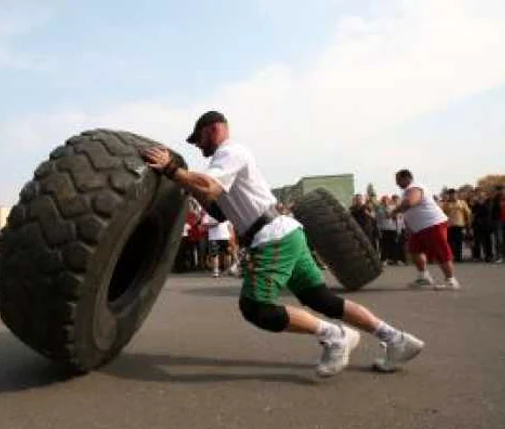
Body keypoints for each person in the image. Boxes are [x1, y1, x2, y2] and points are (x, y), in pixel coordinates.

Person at [141, 110, 424, 376]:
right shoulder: (220, 163)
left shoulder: (231, 152)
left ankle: (335, 336)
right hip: (285, 233)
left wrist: (171, 169)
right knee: (320, 298)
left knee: (256, 307)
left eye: (198, 139)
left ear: (214, 129)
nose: (197, 146)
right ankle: (395, 338)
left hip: (272, 235)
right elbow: (216, 206)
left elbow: (210, 187)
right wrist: (182, 182)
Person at [393, 170, 459, 289]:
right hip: (419, 228)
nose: (397, 183)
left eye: (398, 180)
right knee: (414, 250)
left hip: (433, 224)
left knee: (441, 251)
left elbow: (409, 203)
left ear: (406, 178)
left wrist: (394, 211)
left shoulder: (415, 187)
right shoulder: (407, 191)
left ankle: (451, 281)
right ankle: (424, 277)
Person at [441, 189, 471, 263]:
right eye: (450, 194)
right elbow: (442, 215)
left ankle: (459, 257)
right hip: (449, 225)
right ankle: (452, 256)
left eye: (454, 194)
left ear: (456, 194)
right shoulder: (446, 204)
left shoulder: (462, 203)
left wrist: (468, 223)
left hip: (460, 225)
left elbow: (467, 213)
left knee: (459, 242)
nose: (452, 196)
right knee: (450, 242)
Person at [470, 188, 494, 262]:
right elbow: (473, 212)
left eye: (480, 192)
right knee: (477, 241)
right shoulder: (475, 202)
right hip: (477, 224)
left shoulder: (488, 201)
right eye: (477, 192)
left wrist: (481, 203)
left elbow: (488, 210)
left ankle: (489, 256)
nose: (479, 194)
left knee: (487, 241)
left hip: (486, 223)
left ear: (484, 193)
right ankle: (477, 256)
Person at [492, 185, 505, 263]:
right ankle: (499, 256)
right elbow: (492, 211)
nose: (501, 191)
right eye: (499, 190)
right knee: (499, 240)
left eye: (502, 189)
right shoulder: (495, 199)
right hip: (498, 221)